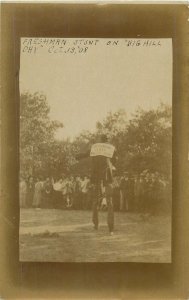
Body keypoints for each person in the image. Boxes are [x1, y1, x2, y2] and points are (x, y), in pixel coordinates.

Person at [76, 134, 117, 235]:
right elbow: (115, 159)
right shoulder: (111, 148)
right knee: (110, 201)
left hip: (96, 176)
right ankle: (111, 228)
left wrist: (77, 156)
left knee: (95, 200)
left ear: (100, 140)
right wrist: (111, 164)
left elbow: (85, 154)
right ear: (107, 140)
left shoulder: (95, 147)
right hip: (107, 176)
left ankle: (95, 224)